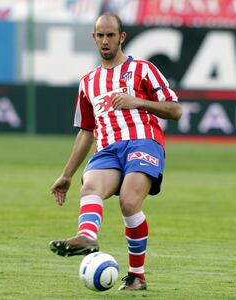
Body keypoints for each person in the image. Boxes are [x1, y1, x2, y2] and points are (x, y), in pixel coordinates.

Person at [49, 12, 182, 291]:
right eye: (101, 35)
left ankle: (137, 275)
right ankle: (86, 236)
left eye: (111, 35)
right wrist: (67, 174)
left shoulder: (144, 69)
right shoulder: (88, 82)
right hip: (108, 149)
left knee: (129, 202)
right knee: (90, 186)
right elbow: (86, 132)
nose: (106, 40)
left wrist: (138, 102)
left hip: (143, 141)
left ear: (121, 37)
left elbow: (175, 110)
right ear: (94, 38)